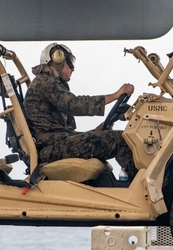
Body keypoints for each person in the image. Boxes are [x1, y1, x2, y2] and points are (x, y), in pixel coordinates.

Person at [24, 42, 137, 179]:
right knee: (121, 140)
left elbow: (65, 134)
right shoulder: (44, 81)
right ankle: (143, 188)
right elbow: (74, 104)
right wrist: (114, 96)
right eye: (70, 62)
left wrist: (96, 131)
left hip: (54, 147)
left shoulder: (46, 83)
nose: (72, 68)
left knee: (116, 137)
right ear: (57, 59)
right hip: (51, 149)